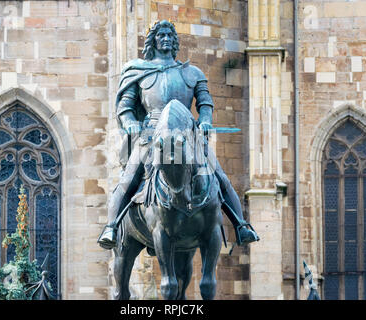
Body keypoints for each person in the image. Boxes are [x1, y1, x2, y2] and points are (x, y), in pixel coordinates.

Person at [98, 20, 259, 250]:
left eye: (169, 36)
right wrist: (131, 123)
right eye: (161, 35)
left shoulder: (192, 73)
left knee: (220, 177)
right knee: (128, 179)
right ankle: (112, 227)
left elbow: (205, 103)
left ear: (175, 42)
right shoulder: (139, 71)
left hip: (187, 135)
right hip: (151, 136)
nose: (165, 38)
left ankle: (242, 226)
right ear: (153, 41)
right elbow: (125, 107)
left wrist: (204, 121)